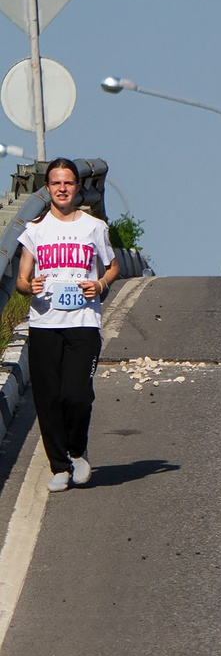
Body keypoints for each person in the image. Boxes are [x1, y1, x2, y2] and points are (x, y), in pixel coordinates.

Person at [13, 158, 119, 492]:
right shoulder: (35, 230)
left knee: (76, 395)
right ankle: (59, 466)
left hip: (84, 323)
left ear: (77, 188)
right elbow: (20, 279)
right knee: (48, 399)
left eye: (68, 183)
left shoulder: (93, 227)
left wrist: (100, 285)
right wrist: (29, 287)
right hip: (44, 323)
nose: (62, 189)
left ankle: (77, 450)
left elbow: (112, 266)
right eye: (56, 183)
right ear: (47, 189)